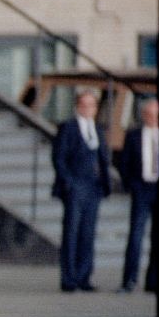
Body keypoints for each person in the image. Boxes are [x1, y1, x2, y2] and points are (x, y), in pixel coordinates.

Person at [50, 89, 112, 293]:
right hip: (75, 186)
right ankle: (69, 278)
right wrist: (68, 182)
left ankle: (84, 276)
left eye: (91, 105)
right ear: (77, 106)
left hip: (93, 187)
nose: (88, 109)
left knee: (88, 233)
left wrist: (105, 182)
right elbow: (59, 158)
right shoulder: (68, 128)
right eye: (84, 105)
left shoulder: (98, 129)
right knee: (72, 232)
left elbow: (103, 158)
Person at [117, 97, 158, 294]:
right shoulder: (133, 135)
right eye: (149, 115)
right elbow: (124, 163)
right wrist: (131, 185)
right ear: (143, 115)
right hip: (141, 189)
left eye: (155, 115)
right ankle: (129, 280)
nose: (152, 118)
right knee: (136, 235)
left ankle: (153, 281)